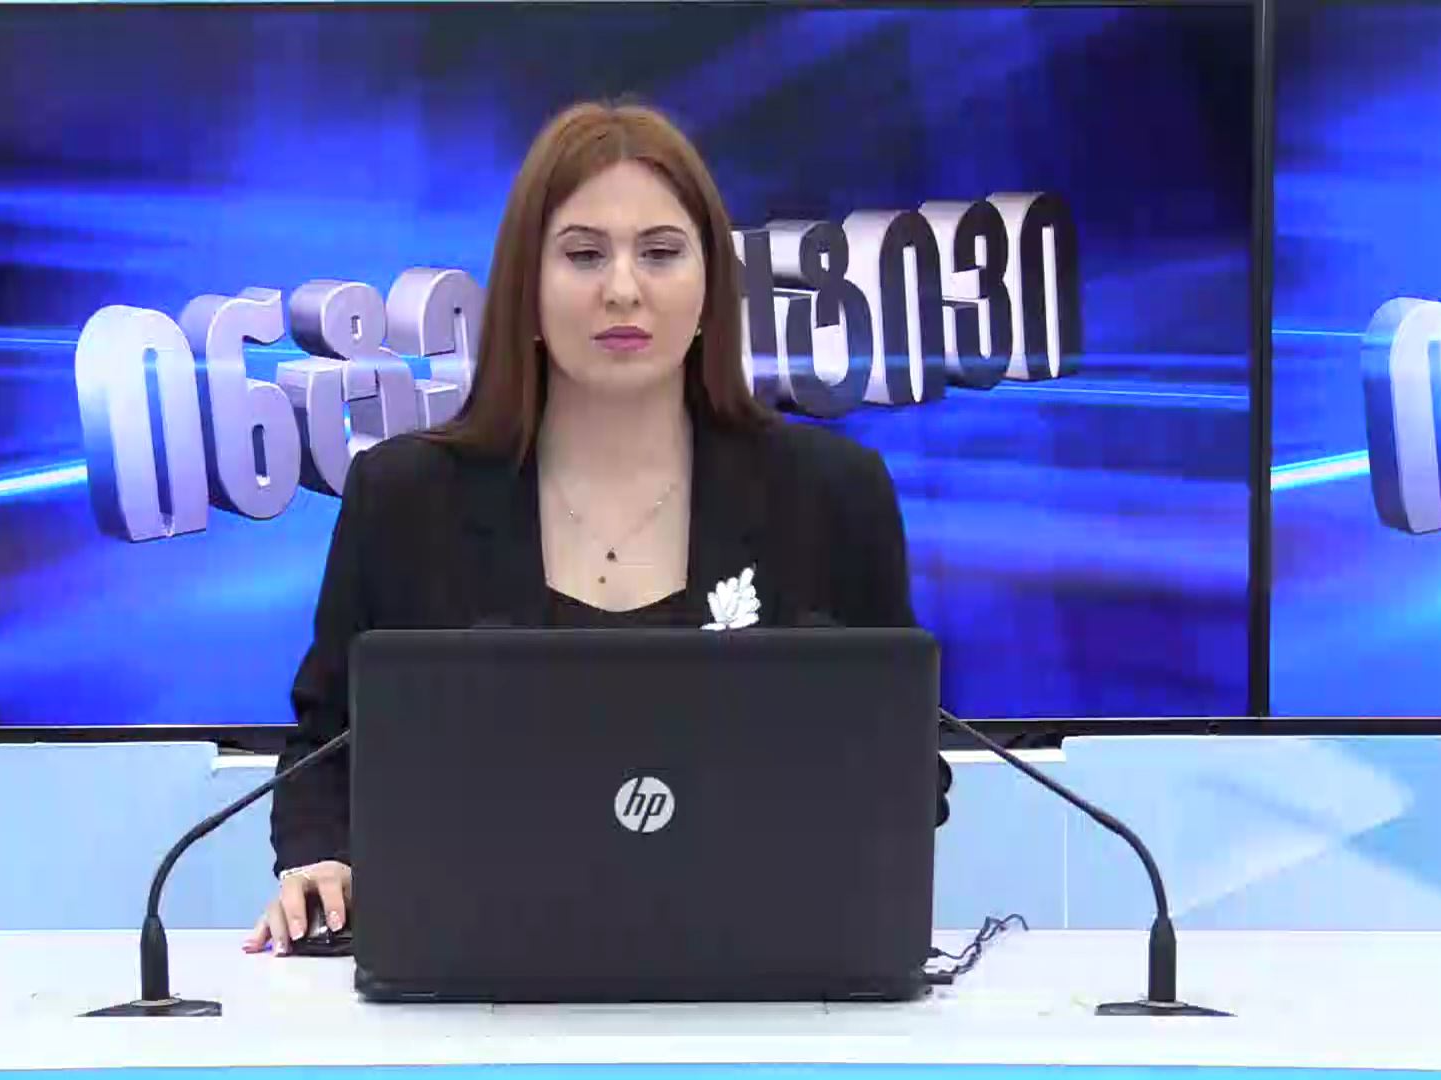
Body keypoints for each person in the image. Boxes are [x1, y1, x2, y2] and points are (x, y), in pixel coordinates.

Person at [247, 100, 948, 955]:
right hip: (473, 973)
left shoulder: (832, 496)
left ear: (711, 286)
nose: (623, 288)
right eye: (583, 255)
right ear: (526, 288)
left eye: (661, 252)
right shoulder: (403, 500)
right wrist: (320, 859)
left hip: (766, 967)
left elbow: (908, 765)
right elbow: (326, 749)